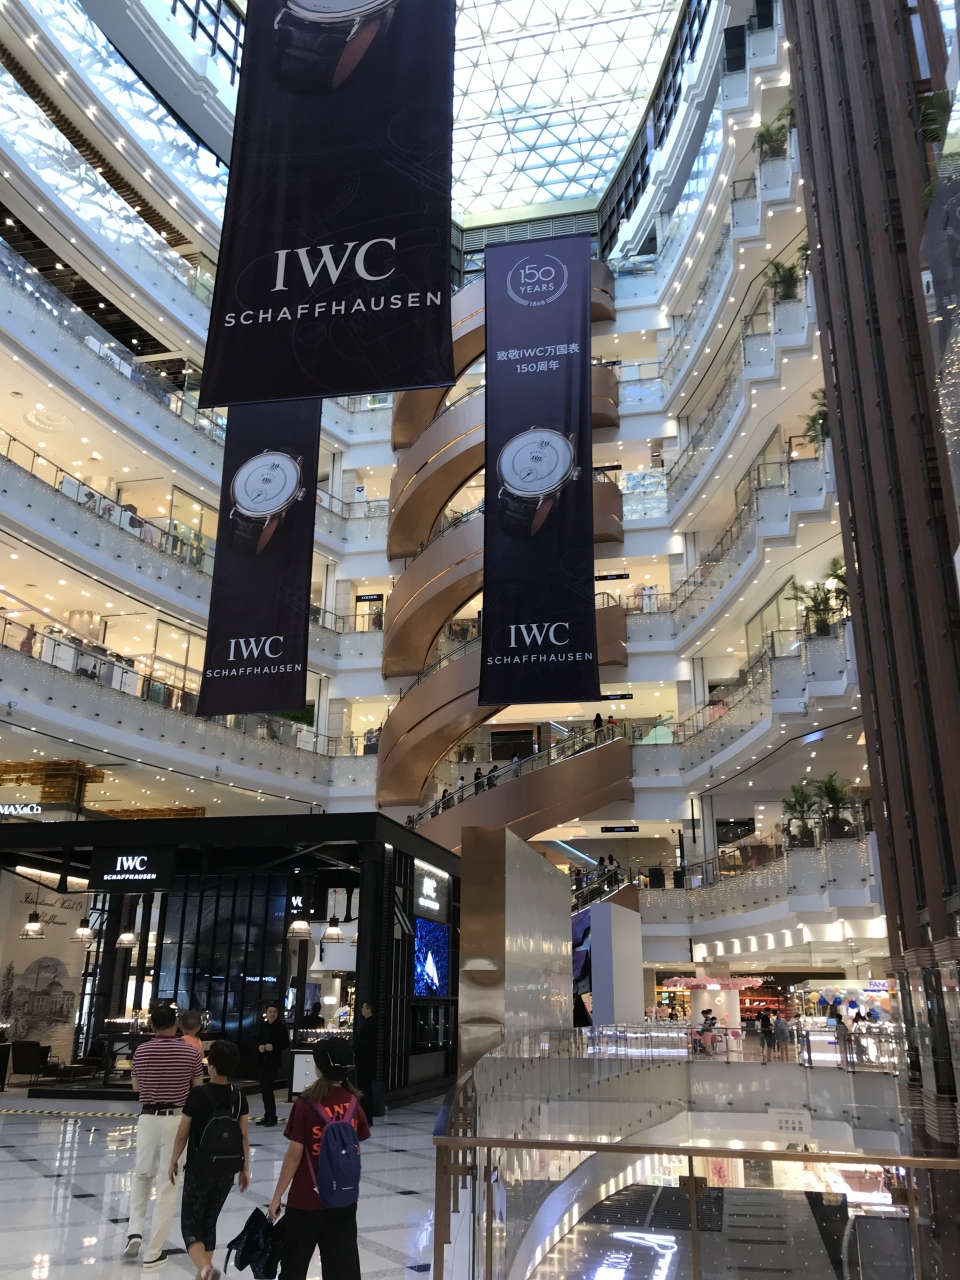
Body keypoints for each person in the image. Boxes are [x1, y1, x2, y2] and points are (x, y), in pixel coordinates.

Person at [268, 1038, 371, 1280]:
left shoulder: (305, 1104)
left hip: (306, 1199)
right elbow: (359, 1139)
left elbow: (294, 1155)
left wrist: (277, 1196)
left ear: (320, 1068)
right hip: (344, 1199)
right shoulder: (353, 1103)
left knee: (293, 1267)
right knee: (342, 1271)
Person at [126, 1003, 204, 1269]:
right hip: (176, 1120)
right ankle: (153, 1251)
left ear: (151, 1026)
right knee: (168, 1182)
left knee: (142, 1174)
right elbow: (197, 1088)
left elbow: (136, 1086)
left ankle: (134, 1232)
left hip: (148, 1117)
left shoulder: (142, 1051)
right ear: (176, 1025)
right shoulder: (190, 1052)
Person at [169, 1039, 250, 1280]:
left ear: (210, 1065)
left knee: (190, 1225)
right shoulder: (239, 1096)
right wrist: (245, 1168)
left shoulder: (198, 1094)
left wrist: (174, 1159)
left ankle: (205, 1269)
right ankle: (203, 1274)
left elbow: (183, 1131)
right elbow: (243, 1136)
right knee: (209, 1221)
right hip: (227, 1170)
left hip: (199, 1169)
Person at [257, 1003, 290, 1127]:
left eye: (274, 1012)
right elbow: (257, 1039)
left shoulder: (281, 1027)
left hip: (273, 1062)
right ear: (267, 1013)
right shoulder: (262, 1026)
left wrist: (274, 1047)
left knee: (268, 1088)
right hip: (262, 1061)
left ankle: (272, 1116)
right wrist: (259, 1047)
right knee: (263, 1089)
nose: (272, 1014)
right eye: (270, 1012)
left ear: (277, 1013)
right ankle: (267, 1115)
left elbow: (286, 1043)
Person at [353, 1000, 377, 1127]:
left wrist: (354, 1048)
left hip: (365, 1061)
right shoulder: (369, 1023)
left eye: (363, 1007)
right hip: (366, 1061)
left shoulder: (370, 1024)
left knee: (365, 1088)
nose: (361, 1009)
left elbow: (362, 1042)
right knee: (365, 1088)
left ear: (368, 1009)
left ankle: (366, 1116)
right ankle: (366, 1115)